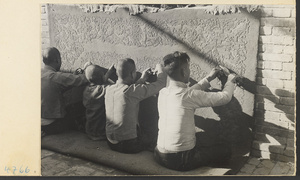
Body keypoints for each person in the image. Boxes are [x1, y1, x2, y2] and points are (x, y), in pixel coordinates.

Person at [154, 51, 238, 171]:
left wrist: (209, 78)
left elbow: (186, 94)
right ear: (183, 71)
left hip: (159, 154)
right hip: (180, 159)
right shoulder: (188, 96)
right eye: (188, 68)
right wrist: (230, 80)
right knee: (224, 150)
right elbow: (225, 97)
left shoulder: (163, 92)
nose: (189, 71)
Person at [105, 58, 167, 154]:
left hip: (110, 142)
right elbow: (161, 84)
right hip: (128, 145)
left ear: (117, 74)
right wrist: (160, 66)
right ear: (132, 74)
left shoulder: (108, 89)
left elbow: (127, 91)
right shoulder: (131, 92)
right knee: (153, 134)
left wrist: (142, 79)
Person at [41, 47, 89, 136]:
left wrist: (73, 76)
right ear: (57, 60)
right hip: (51, 125)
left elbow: (58, 85)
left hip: (37, 122)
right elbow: (82, 79)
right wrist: (91, 71)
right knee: (78, 107)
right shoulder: (55, 77)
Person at [83, 64, 116, 141]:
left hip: (89, 130)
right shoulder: (102, 90)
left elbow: (100, 81)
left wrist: (109, 72)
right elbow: (117, 87)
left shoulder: (87, 89)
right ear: (102, 77)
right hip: (100, 132)